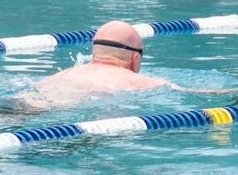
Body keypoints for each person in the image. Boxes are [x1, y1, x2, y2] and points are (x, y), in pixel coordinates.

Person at [10, 20, 173, 109]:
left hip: (25, 101)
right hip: (60, 109)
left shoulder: (65, 73)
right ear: (135, 58)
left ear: (94, 52)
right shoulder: (137, 81)